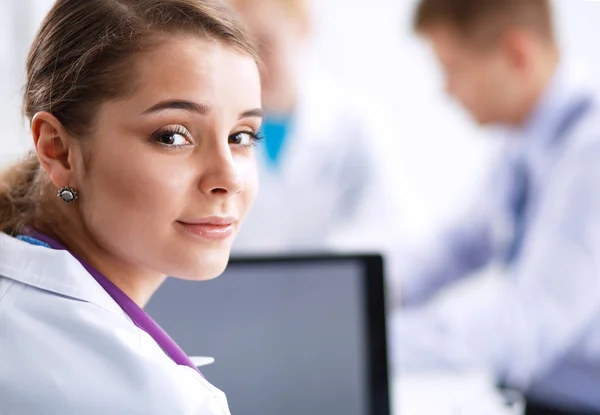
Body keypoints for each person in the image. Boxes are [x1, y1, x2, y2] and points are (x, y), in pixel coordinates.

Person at [0, 0, 263, 413]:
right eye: (173, 136)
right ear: (59, 151)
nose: (229, 179)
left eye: (242, 136)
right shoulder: (145, 399)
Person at [389, 0, 600, 414]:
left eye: (453, 69)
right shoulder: (526, 142)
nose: (445, 89)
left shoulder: (591, 150)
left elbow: (534, 314)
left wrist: (375, 339)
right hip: (546, 395)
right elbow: (457, 248)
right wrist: (364, 293)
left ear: (516, 54)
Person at [227, 0, 397, 254]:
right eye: (242, 48)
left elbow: (384, 227)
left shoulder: (353, 127)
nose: (256, 63)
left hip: (333, 288)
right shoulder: (215, 126)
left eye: (265, 44)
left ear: (303, 28)